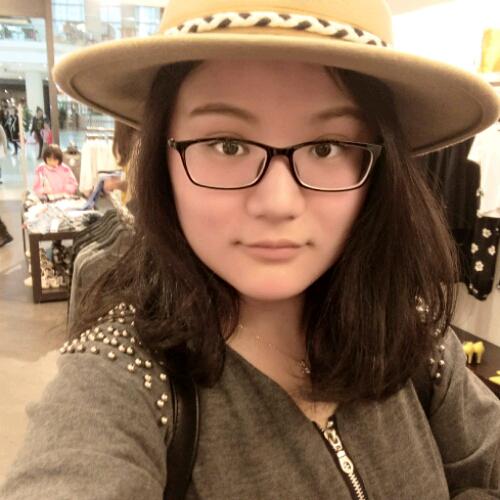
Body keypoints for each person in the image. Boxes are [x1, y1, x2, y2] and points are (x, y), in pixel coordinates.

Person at [1, 0, 499, 498]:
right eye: (227, 145)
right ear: (162, 159)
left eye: (325, 147)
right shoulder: (124, 377)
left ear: (379, 167)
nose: (278, 203)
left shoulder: (411, 334)